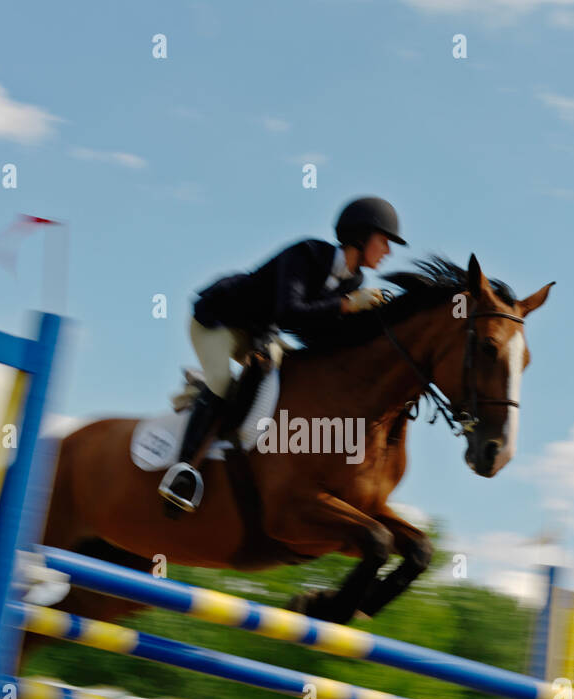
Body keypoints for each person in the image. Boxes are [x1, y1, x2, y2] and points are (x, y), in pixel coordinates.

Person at [159, 196, 406, 512]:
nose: (388, 252)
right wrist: (346, 305)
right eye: (384, 241)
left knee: (293, 371)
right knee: (221, 380)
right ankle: (183, 472)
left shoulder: (355, 280)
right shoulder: (306, 254)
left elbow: (314, 332)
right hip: (217, 320)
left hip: (259, 332)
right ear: (361, 236)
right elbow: (290, 313)